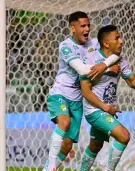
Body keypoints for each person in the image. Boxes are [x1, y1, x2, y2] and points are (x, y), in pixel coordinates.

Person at [43, 12, 121, 171]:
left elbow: (115, 55)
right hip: (60, 94)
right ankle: (51, 166)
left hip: (78, 100)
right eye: (83, 26)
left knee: (67, 145)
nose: (87, 29)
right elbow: (82, 69)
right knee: (64, 122)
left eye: (88, 26)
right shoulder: (65, 46)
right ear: (72, 28)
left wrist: (106, 63)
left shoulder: (94, 43)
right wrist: (105, 68)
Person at [79, 25, 135, 171]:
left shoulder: (120, 59)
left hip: (106, 110)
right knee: (124, 136)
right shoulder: (90, 58)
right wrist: (105, 107)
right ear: (106, 44)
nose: (121, 41)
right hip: (94, 110)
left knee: (95, 145)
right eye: (117, 38)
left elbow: (133, 82)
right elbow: (86, 91)